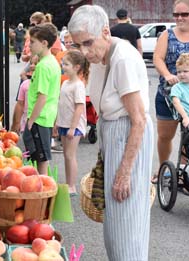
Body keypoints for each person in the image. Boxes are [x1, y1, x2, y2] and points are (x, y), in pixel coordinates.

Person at [69, 5, 153, 261]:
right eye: (77, 45)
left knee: (125, 223)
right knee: (116, 224)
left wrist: (124, 173)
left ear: (105, 31)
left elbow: (138, 120)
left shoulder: (123, 59)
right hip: (115, 135)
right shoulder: (102, 56)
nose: (83, 52)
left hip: (129, 136)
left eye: (88, 43)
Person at [152, 0, 189, 184]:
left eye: (184, 14)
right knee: (165, 136)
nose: (179, 18)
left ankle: (185, 171)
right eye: (176, 14)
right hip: (169, 93)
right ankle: (164, 170)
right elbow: (158, 58)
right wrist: (168, 75)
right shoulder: (167, 35)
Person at [22, 23, 61, 175]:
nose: (29, 45)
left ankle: (42, 187)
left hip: (40, 118)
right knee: (40, 156)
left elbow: (42, 97)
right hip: (46, 116)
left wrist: (31, 121)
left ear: (44, 43)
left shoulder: (43, 66)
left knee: (41, 158)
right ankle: (41, 184)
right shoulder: (52, 62)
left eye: (32, 42)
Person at [55, 50, 89, 195]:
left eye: (66, 64)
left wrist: (72, 128)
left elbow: (80, 107)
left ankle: (72, 185)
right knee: (66, 155)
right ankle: (68, 183)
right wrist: (57, 123)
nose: (63, 66)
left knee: (70, 154)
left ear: (76, 67)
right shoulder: (65, 83)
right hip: (64, 123)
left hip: (73, 126)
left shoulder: (78, 85)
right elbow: (61, 104)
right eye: (63, 63)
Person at [11, 55, 39, 135]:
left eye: (35, 64)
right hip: (25, 124)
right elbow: (20, 104)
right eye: (31, 63)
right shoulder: (25, 85)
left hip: (40, 124)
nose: (32, 66)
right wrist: (16, 123)